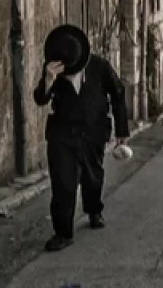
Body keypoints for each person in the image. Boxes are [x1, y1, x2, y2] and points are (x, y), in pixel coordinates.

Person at [34, 24, 130, 253]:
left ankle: (94, 210)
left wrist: (122, 131)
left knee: (92, 176)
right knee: (63, 183)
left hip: (93, 131)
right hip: (62, 134)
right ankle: (63, 232)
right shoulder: (54, 68)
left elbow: (117, 93)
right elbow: (40, 98)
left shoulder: (99, 66)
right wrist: (48, 80)